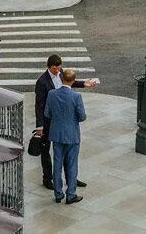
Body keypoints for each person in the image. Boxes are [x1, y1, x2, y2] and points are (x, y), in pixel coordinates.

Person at [34, 55, 97, 192]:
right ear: (49, 67)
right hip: (48, 120)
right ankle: (47, 178)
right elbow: (39, 105)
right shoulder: (42, 82)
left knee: (63, 153)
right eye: (54, 68)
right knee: (46, 150)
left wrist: (83, 84)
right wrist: (40, 126)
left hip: (60, 119)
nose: (57, 71)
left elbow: (68, 84)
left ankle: (71, 179)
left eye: (59, 67)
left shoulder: (61, 74)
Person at [43, 69, 88, 204]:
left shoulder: (51, 94)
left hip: (56, 134)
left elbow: (47, 114)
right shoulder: (76, 96)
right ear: (73, 81)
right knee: (72, 165)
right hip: (72, 135)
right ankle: (71, 194)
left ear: (62, 78)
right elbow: (82, 117)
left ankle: (58, 193)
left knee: (57, 164)